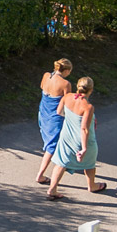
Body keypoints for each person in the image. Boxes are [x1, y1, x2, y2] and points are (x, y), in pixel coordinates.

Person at [47, 77, 105, 199]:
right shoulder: (88, 107)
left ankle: (52, 189)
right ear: (91, 90)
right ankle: (92, 186)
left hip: (66, 136)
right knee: (89, 163)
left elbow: (59, 112)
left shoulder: (67, 97)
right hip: (82, 140)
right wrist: (83, 148)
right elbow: (84, 129)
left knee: (61, 162)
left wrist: (71, 119)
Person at [35, 58, 73, 186]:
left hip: (43, 111)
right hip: (55, 116)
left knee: (48, 139)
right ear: (66, 70)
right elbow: (67, 102)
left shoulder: (46, 75)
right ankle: (40, 175)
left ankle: (62, 163)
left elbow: (41, 87)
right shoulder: (66, 84)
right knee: (52, 146)